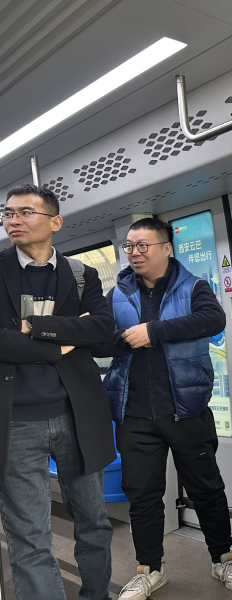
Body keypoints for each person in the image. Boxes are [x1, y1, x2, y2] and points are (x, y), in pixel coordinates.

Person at [92, 217, 232, 599]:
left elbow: (213, 319)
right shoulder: (117, 294)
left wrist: (153, 332)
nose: (134, 253)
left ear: (166, 248)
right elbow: (98, 342)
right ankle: (150, 569)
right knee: (142, 496)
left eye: (143, 245)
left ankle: (222, 559)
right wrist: (128, 340)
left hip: (186, 411)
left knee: (206, 489)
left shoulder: (193, 287)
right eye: (129, 246)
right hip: (134, 415)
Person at [0, 184, 116, 600]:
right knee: (29, 535)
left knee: (94, 522)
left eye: (25, 212)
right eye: (8, 213)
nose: (13, 220)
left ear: (55, 222)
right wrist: (62, 343)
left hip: (77, 415)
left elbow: (102, 329)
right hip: (15, 421)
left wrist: (34, 328)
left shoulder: (82, 275)